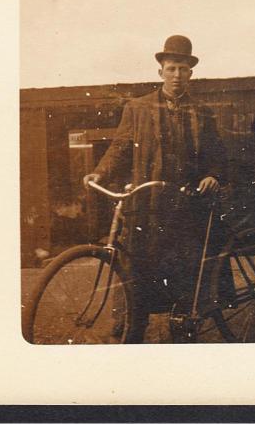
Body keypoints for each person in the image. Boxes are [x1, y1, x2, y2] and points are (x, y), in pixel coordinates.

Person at [82, 35, 231, 339]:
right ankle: (134, 334)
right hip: (147, 207)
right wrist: (99, 173)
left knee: (185, 278)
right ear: (160, 71)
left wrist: (212, 175)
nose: (177, 75)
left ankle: (183, 334)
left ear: (191, 73)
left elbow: (217, 154)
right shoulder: (138, 108)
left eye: (183, 69)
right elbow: (121, 147)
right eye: (172, 68)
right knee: (136, 275)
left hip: (187, 208)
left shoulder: (202, 112)